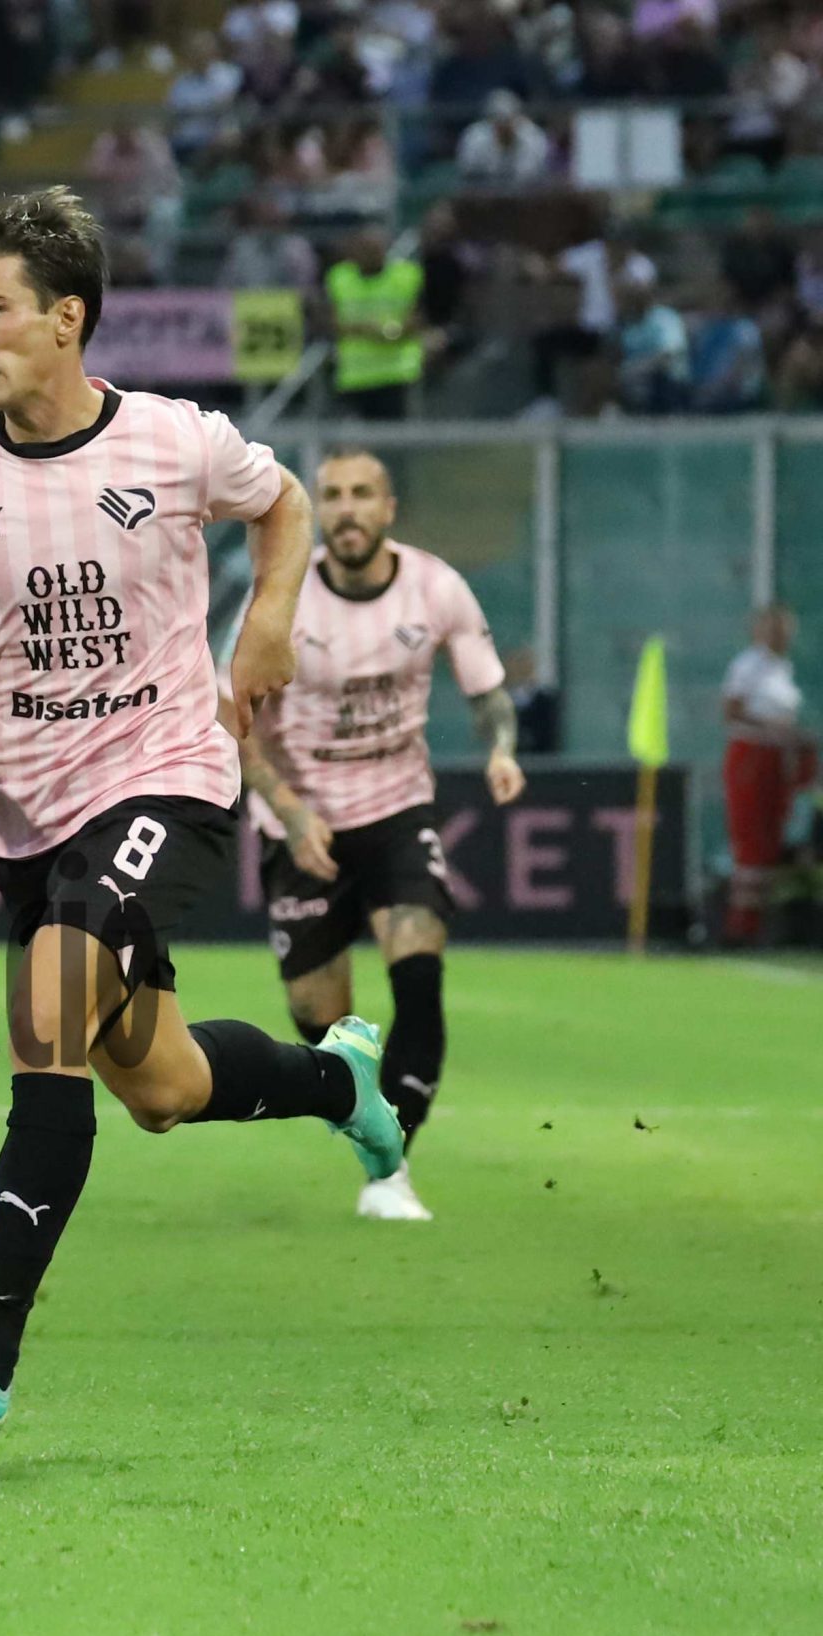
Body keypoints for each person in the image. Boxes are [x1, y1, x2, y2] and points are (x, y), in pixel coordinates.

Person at [0, 188, 404, 1441]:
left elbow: (285, 503)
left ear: (66, 319)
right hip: (25, 816)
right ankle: (338, 1081)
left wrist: (266, 622)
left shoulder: (173, 442)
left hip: (166, 775)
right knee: (159, 1085)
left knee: (45, 1012)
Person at [227, 450, 522, 1221]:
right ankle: (362, 1112)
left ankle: (392, 1170)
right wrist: (292, 813)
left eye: (363, 494)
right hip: (302, 820)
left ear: (389, 508)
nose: (347, 508)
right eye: (332, 495)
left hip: (397, 808)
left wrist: (501, 748)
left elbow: (489, 693)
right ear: (318, 510)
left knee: (419, 972)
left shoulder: (436, 587)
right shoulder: (282, 598)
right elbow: (235, 725)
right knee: (320, 1022)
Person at [719, 604, 813, 947]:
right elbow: (731, 711)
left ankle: (758, 921)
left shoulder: (781, 668)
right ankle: (739, 925)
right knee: (751, 836)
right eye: (773, 629)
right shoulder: (749, 665)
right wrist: (772, 727)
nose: (779, 636)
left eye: (784, 630)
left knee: (771, 836)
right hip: (753, 754)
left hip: (776, 756)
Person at [324, 224, 424, 421]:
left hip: (397, 374)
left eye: (374, 249)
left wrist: (386, 331)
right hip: (354, 376)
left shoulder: (407, 275)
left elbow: (417, 318)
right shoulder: (339, 277)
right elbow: (332, 321)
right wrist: (372, 329)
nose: (369, 255)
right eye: (363, 249)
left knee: (394, 435)